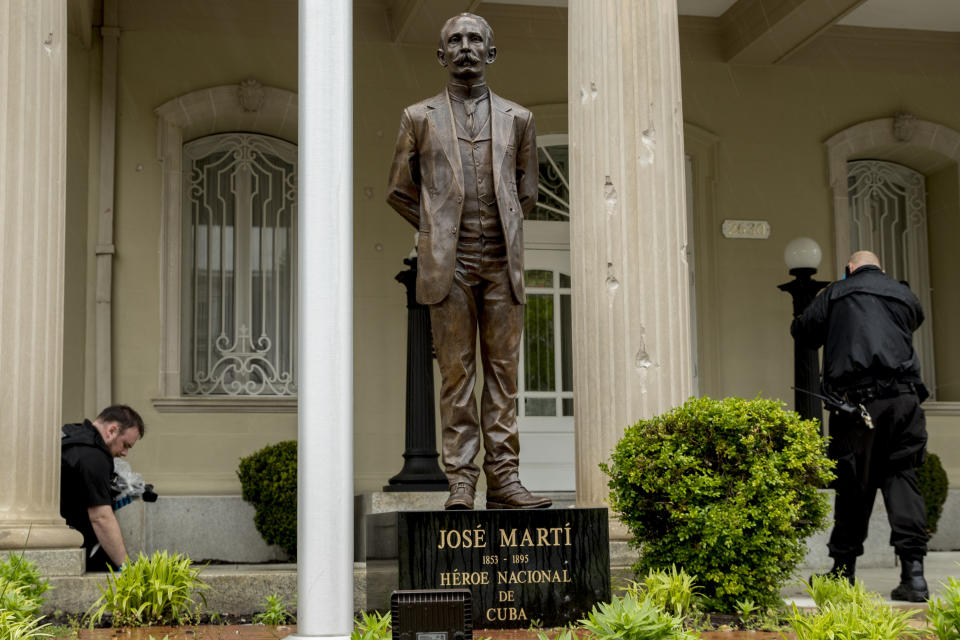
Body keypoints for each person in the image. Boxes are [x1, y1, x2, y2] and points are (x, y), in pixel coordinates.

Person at [386, 13, 550, 510]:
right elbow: (398, 189)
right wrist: (437, 227)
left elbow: (528, 192)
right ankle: (461, 481)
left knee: (503, 375)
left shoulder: (519, 119)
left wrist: (496, 231)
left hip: (502, 263)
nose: (464, 47)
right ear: (441, 55)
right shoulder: (419, 117)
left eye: (474, 39)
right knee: (457, 377)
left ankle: (504, 479)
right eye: (454, 40)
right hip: (449, 267)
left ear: (491, 52)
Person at [792, 250, 929, 602]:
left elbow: (803, 331)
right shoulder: (902, 293)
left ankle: (842, 572)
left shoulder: (838, 292)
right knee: (902, 478)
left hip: (857, 405)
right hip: (904, 401)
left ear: (848, 270)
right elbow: (915, 319)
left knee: (854, 483)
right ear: (881, 268)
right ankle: (914, 577)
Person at [60, 405, 144, 571]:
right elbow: (101, 518)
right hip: (68, 548)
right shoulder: (93, 457)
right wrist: (126, 568)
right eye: (125, 445)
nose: (125, 453)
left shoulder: (72, 434)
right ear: (112, 431)